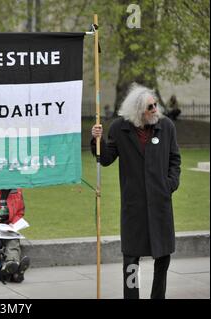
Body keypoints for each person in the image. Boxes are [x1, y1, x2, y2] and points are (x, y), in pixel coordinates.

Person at [91, 83, 181, 299]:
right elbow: (105, 159)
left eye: (155, 105)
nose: (155, 109)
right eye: (150, 107)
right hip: (134, 206)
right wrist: (97, 140)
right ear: (138, 110)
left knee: (163, 257)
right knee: (131, 259)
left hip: (160, 204)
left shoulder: (166, 126)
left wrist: (170, 184)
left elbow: (174, 159)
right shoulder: (120, 128)